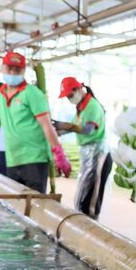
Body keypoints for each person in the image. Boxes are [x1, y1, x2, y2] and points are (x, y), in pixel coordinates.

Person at [0, 51, 72, 192]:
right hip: (13, 158)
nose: (13, 73)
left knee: (35, 204)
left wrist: (59, 154)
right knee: (14, 206)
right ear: (2, 68)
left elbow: (46, 125)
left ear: (24, 70)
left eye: (17, 69)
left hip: (35, 159)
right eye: (9, 68)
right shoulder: (0, 95)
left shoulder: (32, 93)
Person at [52, 77, 113, 220]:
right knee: (83, 194)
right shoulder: (81, 107)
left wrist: (66, 126)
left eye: (70, 95)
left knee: (91, 200)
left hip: (98, 155)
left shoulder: (92, 106)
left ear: (79, 89)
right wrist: (52, 132)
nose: (69, 99)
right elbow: (70, 128)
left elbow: (87, 130)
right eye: (67, 97)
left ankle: (91, 229)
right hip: (88, 155)